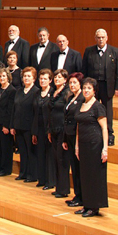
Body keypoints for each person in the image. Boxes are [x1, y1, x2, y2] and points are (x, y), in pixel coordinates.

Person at [82, 28, 118, 146]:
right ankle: (94, 132)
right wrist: (85, 86)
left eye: (103, 37)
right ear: (95, 38)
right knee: (92, 108)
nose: (100, 39)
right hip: (93, 87)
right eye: (98, 37)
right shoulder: (89, 51)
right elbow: (84, 69)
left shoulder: (115, 51)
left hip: (107, 86)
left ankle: (109, 133)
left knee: (107, 110)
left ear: (107, 38)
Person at [74, 77, 108, 217]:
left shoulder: (98, 106)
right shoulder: (81, 104)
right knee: (85, 175)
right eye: (84, 88)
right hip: (83, 144)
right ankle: (86, 204)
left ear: (94, 91)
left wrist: (105, 148)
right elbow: (78, 127)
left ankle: (94, 207)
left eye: (89, 88)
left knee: (94, 176)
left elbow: (104, 129)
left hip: (95, 145)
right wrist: (76, 146)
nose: (86, 90)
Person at [10, 66, 38, 182]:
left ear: (34, 78)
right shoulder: (19, 91)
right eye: (24, 76)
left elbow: (36, 113)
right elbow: (14, 109)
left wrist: (34, 130)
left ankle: (32, 175)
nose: (26, 78)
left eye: (29, 76)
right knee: (22, 151)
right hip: (19, 125)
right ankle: (23, 173)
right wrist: (12, 125)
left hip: (29, 127)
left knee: (31, 152)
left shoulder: (36, 92)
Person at [62, 72, 84, 207]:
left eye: (75, 82)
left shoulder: (82, 99)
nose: (72, 85)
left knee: (78, 168)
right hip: (69, 136)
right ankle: (77, 195)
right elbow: (66, 120)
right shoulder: (70, 97)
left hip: (78, 137)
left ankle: (81, 196)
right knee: (74, 168)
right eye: (70, 83)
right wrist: (65, 138)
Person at [31, 69, 56, 190]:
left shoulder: (53, 93)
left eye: (45, 78)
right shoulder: (37, 93)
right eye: (41, 79)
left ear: (50, 80)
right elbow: (34, 113)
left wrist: (50, 130)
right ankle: (41, 179)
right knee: (40, 153)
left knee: (49, 155)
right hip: (38, 127)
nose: (42, 81)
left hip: (49, 128)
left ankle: (50, 181)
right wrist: (34, 132)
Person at [48, 69, 70, 198]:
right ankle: (58, 187)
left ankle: (64, 189)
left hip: (62, 129)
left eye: (60, 77)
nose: (57, 79)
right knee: (56, 158)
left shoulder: (66, 93)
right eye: (55, 77)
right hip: (53, 128)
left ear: (65, 80)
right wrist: (49, 130)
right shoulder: (53, 92)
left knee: (62, 160)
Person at [0, 68, 16, 177]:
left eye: (4, 76)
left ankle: (6, 169)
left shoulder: (12, 91)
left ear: (8, 77)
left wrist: (6, 125)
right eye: (0, 76)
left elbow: (10, 110)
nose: (1, 78)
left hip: (5, 123)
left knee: (6, 147)